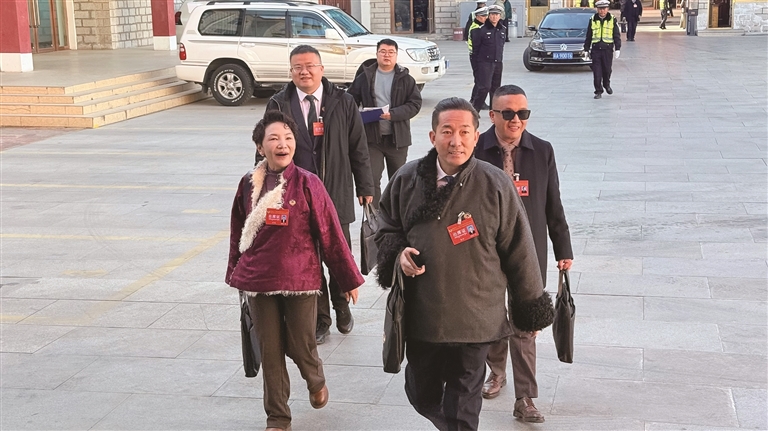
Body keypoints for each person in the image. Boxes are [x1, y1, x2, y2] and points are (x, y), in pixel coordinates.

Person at [375, 97, 555, 431]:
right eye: (447, 131)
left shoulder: (495, 183)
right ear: (433, 137)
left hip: (476, 316)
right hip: (423, 314)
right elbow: (384, 226)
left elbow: (520, 248)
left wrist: (530, 305)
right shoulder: (407, 178)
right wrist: (397, 254)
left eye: (464, 132)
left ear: (475, 137)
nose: (455, 140)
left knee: (463, 404)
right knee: (421, 393)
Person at [227, 110, 364, 431]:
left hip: (300, 278)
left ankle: (314, 377)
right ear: (260, 147)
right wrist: (236, 272)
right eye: (274, 138)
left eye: (288, 138)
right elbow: (238, 231)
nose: (282, 144)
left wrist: (347, 278)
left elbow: (330, 232)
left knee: (301, 343)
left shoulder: (308, 183)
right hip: (258, 280)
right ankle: (277, 417)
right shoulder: (247, 185)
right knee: (270, 351)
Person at [474, 85, 574, 423]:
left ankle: (526, 397)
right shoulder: (476, 149)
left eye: (523, 113)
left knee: (525, 324)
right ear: (492, 116)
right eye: (508, 113)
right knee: (490, 319)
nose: (516, 120)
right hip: (485, 252)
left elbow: (552, 202)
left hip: (528, 250)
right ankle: (496, 371)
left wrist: (563, 248)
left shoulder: (542, 150)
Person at [264, 45, 374, 345]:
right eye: (298, 67)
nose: (305, 72)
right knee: (308, 260)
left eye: (310, 65)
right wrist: (266, 190)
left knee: (338, 254)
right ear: (290, 72)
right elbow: (267, 148)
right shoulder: (278, 103)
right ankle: (321, 319)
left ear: (321, 69)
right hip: (295, 197)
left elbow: (358, 146)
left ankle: (342, 305)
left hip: (335, 192)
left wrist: (366, 187)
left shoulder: (343, 101)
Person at [348, 38, 422, 208]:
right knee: (371, 180)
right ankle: (374, 218)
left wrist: (393, 114)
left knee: (398, 180)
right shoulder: (365, 77)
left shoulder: (406, 79)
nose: (386, 55)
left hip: (397, 140)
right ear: (377, 54)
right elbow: (350, 100)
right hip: (372, 139)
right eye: (383, 51)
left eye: (391, 52)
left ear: (396, 55)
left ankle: (395, 215)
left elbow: (415, 104)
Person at [471, 5, 506, 112]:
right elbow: (475, 49)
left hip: (498, 62)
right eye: (492, 15)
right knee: (484, 87)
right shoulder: (481, 30)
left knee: (496, 89)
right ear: (489, 16)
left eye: (496, 15)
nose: (494, 17)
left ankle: (494, 111)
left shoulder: (502, 29)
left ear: (500, 16)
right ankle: (475, 110)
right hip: (485, 62)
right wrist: (476, 66)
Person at [584, 0, 621, 99]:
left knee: (607, 70)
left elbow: (616, 35)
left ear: (607, 9)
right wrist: (586, 49)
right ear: (597, 9)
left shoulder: (612, 19)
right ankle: (598, 91)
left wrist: (618, 48)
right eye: (600, 9)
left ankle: (606, 84)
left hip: (607, 50)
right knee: (597, 72)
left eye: (604, 9)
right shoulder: (592, 19)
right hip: (596, 50)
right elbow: (589, 35)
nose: (602, 11)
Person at [466, 7, 490, 109]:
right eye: (483, 16)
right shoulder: (476, 28)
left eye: (486, 16)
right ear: (477, 17)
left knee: (480, 80)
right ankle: (476, 101)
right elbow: (477, 46)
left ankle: (475, 100)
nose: (485, 18)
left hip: (479, 56)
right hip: (476, 57)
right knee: (480, 80)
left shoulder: (480, 26)